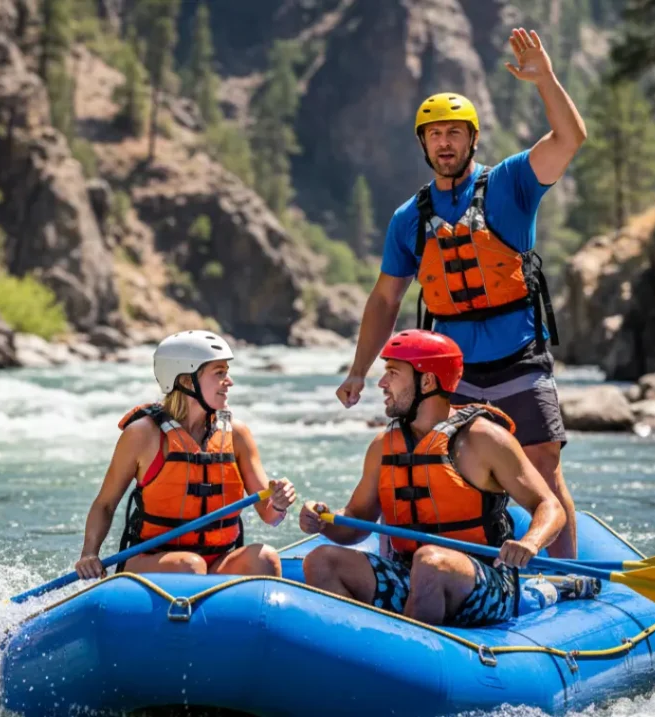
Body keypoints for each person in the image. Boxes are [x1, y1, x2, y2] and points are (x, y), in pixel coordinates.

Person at [335, 28, 586, 558]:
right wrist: (359, 370)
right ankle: (446, 570)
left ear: (472, 139)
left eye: (454, 132)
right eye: (434, 134)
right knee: (440, 467)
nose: (444, 142)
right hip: (452, 370)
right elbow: (385, 300)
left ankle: (564, 578)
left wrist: (545, 81)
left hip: (519, 355)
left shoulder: (513, 183)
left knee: (542, 462)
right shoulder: (410, 218)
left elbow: (569, 139)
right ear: (423, 144)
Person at [302, 330, 565, 627]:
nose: (382, 383)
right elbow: (355, 521)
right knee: (321, 560)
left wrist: (530, 542)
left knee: (430, 562)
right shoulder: (383, 446)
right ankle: (356, 652)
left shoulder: (484, 439)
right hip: (410, 573)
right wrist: (324, 520)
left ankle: (410, 658)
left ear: (427, 381)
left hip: (485, 578)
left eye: (392, 373)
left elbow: (549, 506)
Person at [75, 330, 297, 580]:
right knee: (189, 566)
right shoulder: (143, 435)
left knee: (264, 558)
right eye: (219, 373)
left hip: (215, 561)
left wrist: (278, 503)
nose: (230, 381)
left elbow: (270, 515)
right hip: (152, 562)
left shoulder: (237, 434)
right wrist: (89, 554)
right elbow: (105, 504)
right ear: (187, 381)